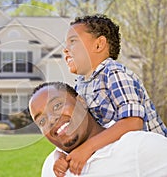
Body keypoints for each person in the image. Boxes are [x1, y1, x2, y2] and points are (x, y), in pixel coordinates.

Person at [56, 14, 167, 175]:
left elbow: (133, 122)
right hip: (119, 157)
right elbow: (78, 127)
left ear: (99, 44)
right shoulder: (80, 84)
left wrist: (88, 148)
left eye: (73, 42)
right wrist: (61, 155)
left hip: (149, 160)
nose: (65, 49)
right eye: (65, 44)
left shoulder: (113, 73)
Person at [28, 81, 167, 177]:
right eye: (42, 120)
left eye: (57, 105)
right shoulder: (50, 167)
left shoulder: (140, 147)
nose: (51, 119)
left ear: (81, 101)